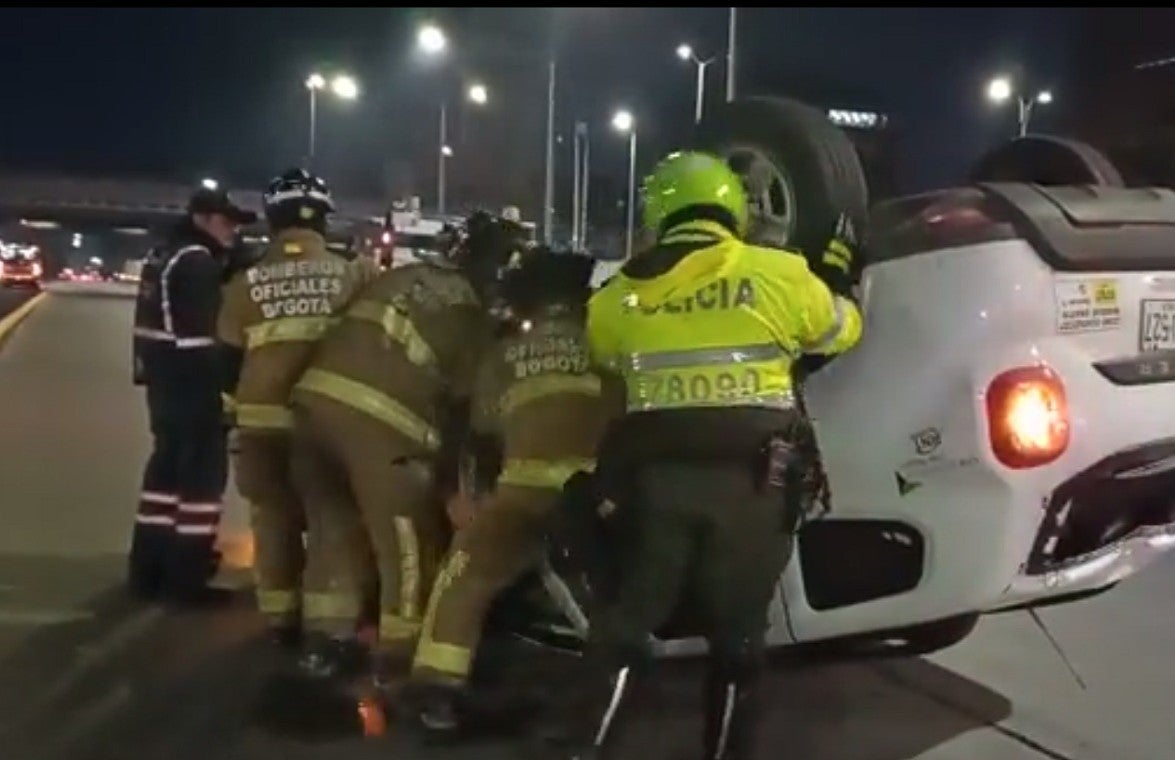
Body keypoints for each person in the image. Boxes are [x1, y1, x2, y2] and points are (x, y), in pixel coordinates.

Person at [547, 151, 864, 759]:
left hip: (654, 484)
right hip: (757, 484)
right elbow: (842, 331)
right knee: (740, 637)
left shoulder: (618, 298)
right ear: (734, 208)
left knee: (629, 622)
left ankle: (581, 749)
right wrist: (836, 274)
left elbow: (606, 359)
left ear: (659, 213)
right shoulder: (779, 272)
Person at [288, 210, 519, 687]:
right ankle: (398, 656)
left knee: (333, 529)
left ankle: (325, 642)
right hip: (381, 423)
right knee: (407, 542)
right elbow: (463, 413)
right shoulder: (471, 313)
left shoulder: (404, 274)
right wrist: (454, 487)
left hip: (310, 410)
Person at [409, 249, 621, 736]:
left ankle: (438, 689)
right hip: (598, 498)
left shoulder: (506, 354)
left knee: (464, 575)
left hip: (524, 493)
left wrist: (468, 498)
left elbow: (481, 431)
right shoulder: (611, 342)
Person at [215, 168, 377, 645]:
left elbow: (225, 360)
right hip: (327, 424)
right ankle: (331, 626)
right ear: (324, 220)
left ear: (271, 221)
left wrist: (235, 412)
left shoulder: (244, 284)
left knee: (274, 519)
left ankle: (281, 617)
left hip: (262, 427)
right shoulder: (355, 276)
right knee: (333, 518)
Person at [128, 186, 256, 604]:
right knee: (201, 485)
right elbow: (207, 339)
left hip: (164, 382)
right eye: (226, 222)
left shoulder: (164, 254)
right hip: (193, 385)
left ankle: (148, 570)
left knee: (163, 482)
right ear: (202, 219)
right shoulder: (197, 263)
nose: (233, 231)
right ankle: (187, 582)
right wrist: (226, 392)